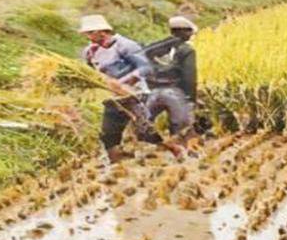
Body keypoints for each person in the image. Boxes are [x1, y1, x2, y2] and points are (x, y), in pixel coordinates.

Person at [78, 14, 181, 162]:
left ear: (102, 31)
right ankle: (117, 167)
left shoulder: (125, 45)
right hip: (113, 97)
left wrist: (123, 82)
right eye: (86, 33)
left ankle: (175, 150)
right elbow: (90, 72)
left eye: (90, 33)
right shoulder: (90, 51)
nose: (88, 37)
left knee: (144, 132)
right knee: (109, 134)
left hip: (135, 94)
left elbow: (145, 67)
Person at [143, 15, 199, 147]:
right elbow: (189, 75)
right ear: (184, 32)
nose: (191, 35)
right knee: (181, 129)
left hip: (153, 93)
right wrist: (191, 98)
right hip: (175, 92)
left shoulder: (156, 48)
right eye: (189, 32)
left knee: (144, 123)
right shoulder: (187, 50)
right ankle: (179, 155)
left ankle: (150, 150)